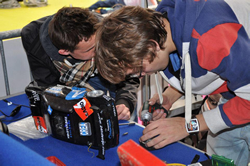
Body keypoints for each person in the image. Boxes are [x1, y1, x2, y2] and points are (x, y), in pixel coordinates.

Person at [94, 1, 250, 165]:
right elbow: (193, 65)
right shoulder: (166, 27)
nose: (140, 77)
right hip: (237, 94)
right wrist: (168, 97)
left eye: (138, 71)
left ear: (152, 46)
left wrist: (187, 125)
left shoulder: (209, 36)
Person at [21, 7, 140, 121]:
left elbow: (128, 77)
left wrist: (124, 103)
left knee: (122, 117)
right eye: (90, 49)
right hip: (66, 84)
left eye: (98, 44)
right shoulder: (32, 38)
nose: (98, 51)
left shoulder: (107, 32)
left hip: (107, 75)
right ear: (65, 52)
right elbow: (48, 86)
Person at [88, 0, 158, 14]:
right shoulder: (154, 3)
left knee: (109, 12)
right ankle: (88, 9)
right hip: (121, 2)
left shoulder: (154, 3)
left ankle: (98, 12)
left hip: (124, 6)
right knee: (102, 3)